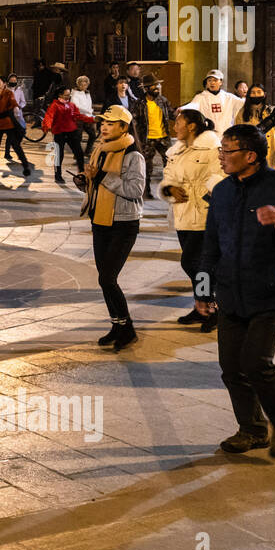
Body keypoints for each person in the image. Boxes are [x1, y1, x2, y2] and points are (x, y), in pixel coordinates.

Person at [200, 124, 275, 457]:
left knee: (256, 362)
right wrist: (202, 290)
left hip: (272, 290)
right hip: (230, 292)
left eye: (227, 151)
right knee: (231, 367)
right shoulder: (223, 191)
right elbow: (210, 243)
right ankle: (252, 430)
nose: (221, 157)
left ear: (250, 156)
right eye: (220, 150)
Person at [78, 105, 146, 350]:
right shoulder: (100, 149)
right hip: (100, 221)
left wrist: (101, 178)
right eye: (102, 123)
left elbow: (135, 191)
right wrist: (84, 181)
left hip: (123, 224)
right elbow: (97, 183)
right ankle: (117, 325)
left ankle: (127, 328)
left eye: (110, 123)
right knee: (104, 279)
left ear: (124, 127)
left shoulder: (132, 155)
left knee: (108, 278)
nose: (104, 127)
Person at [160, 109, 223, 332]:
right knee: (196, 264)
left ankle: (211, 305)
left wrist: (203, 197)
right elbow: (168, 175)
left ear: (192, 126)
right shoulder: (176, 149)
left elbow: (221, 175)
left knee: (194, 263)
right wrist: (170, 188)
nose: (175, 126)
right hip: (182, 214)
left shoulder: (212, 147)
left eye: (179, 122)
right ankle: (202, 306)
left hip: (204, 215)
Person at [133, 74, 174, 197]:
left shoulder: (163, 100)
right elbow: (134, 122)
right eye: (153, 86)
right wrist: (137, 140)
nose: (156, 88)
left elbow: (171, 114)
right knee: (146, 166)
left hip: (163, 137)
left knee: (170, 164)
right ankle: (146, 191)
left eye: (157, 85)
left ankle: (168, 189)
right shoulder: (140, 103)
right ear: (146, 88)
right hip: (147, 139)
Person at [42, 86, 92, 185]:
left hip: (72, 131)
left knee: (79, 154)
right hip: (59, 133)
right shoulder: (55, 105)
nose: (68, 97)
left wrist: (92, 119)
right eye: (66, 95)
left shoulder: (71, 105)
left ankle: (81, 174)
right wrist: (46, 126)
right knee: (59, 155)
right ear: (60, 95)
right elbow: (49, 117)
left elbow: (78, 116)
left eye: (69, 95)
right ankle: (58, 175)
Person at [0, 76, 30, 178]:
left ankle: (25, 165)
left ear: (4, 83)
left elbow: (14, 106)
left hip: (8, 122)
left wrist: (17, 110)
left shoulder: (9, 93)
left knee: (15, 145)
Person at [73, 75, 98, 154]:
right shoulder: (75, 94)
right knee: (78, 137)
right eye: (81, 85)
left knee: (93, 135)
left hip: (87, 117)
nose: (83, 86)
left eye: (85, 85)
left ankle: (88, 150)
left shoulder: (87, 93)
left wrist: (90, 113)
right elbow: (77, 106)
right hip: (79, 118)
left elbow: (89, 104)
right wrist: (89, 110)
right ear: (78, 84)